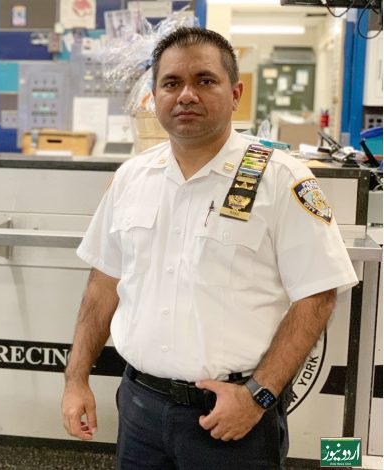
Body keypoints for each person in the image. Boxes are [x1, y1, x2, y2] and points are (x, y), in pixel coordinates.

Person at [61, 26, 358, 469]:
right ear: (154, 96)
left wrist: (258, 396)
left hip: (230, 418)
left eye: (204, 80)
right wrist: (76, 378)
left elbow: (316, 296)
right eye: (171, 83)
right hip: (140, 406)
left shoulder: (281, 178)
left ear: (235, 93)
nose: (186, 95)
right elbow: (104, 284)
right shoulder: (132, 178)